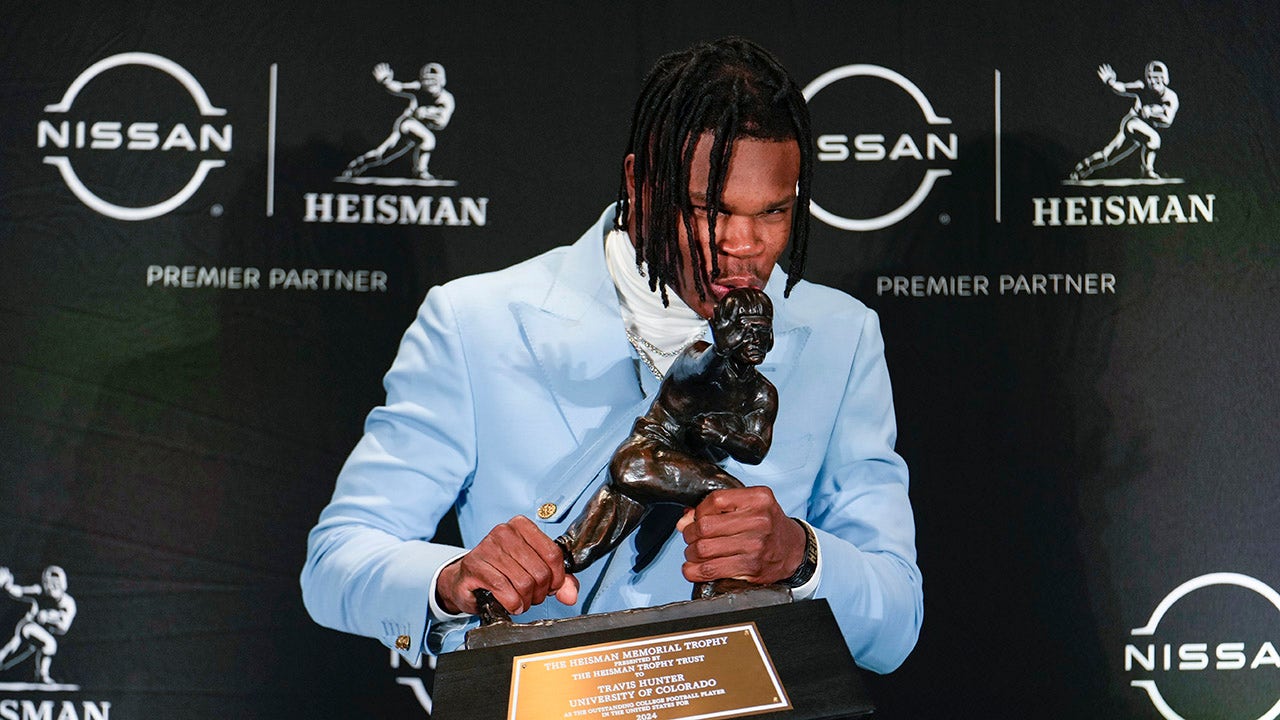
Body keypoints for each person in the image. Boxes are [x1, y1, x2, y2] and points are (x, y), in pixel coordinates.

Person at [302, 37, 922, 674]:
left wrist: (800, 556)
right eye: (708, 209)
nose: (744, 244)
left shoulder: (842, 335)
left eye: (774, 212)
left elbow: (896, 621)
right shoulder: (474, 322)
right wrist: (452, 578)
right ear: (639, 183)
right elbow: (337, 561)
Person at [556, 287, 779, 595]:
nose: (755, 340)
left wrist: (724, 436)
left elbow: (756, 449)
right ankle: (715, 590)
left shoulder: (762, 393)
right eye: (746, 331)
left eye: (762, 332)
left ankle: (556, 561)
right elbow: (701, 368)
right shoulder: (696, 357)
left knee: (593, 534)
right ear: (725, 330)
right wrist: (720, 349)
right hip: (644, 457)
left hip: (671, 473)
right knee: (730, 496)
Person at [340, 62, 455, 180]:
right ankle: (420, 171)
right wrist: (386, 81)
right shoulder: (419, 87)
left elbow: (442, 123)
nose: (429, 83)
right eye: (426, 79)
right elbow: (400, 87)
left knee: (383, 155)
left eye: (433, 79)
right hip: (407, 124)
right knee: (429, 139)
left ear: (442, 81)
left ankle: (358, 164)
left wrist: (428, 113)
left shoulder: (447, 99)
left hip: (417, 130)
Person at [1070, 61, 1179, 181]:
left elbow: (1167, 121)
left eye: (1156, 77)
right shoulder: (1142, 87)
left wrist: (1152, 113)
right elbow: (1123, 87)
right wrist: (1110, 82)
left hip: (1143, 128)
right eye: (1150, 77)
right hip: (1132, 123)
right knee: (1154, 139)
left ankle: (1083, 167)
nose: (1153, 81)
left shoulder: (1171, 98)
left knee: (1108, 156)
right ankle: (1147, 170)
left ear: (1164, 78)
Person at [0, 566, 76, 684]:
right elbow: (19, 591)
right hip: (28, 627)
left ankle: (42, 675)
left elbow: (63, 628)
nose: (51, 586)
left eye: (55, 583)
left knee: (12, 652)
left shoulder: (68, 604)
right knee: (49, 644)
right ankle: (42, 675)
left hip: (37, 634)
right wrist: (7, 584)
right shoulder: (39, 591)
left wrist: (50, 617)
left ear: (63, 584)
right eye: (48, 582)